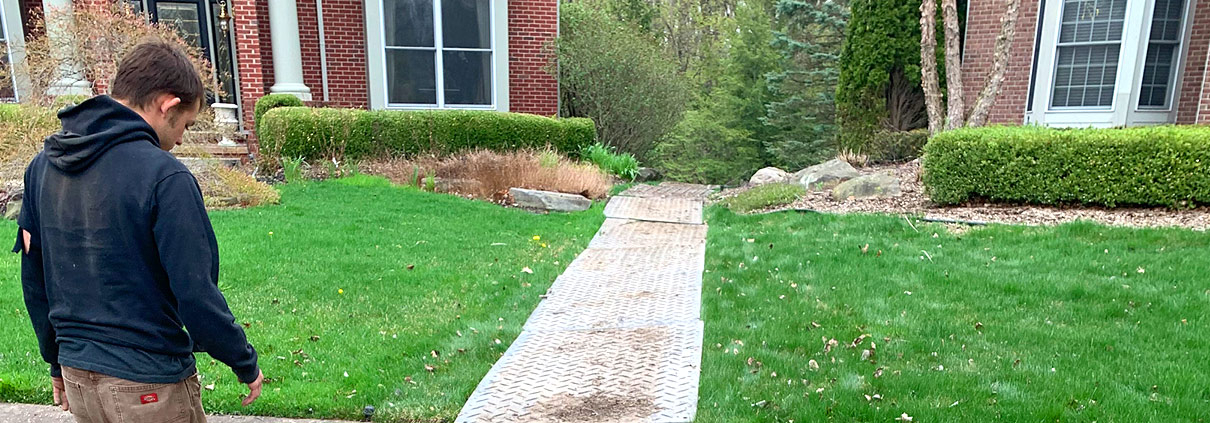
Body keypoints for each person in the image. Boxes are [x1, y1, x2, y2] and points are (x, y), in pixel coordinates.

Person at [15, 40, 262, 423]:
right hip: (148, 385)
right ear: (167, 105)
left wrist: (56, 360)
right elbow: (195, 294)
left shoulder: (42, 168)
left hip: (78, 375)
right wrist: (243, 361)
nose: (180, 138)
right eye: (185, 124)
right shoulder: (166, 177)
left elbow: (35, 280)